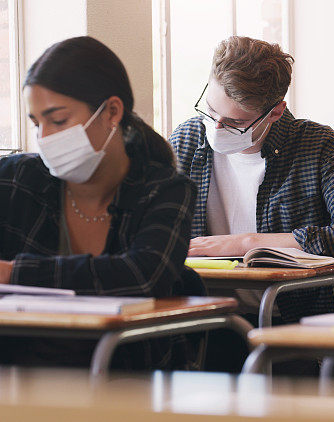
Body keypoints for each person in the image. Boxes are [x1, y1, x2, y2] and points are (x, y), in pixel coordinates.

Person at [169, 36, 334, 383]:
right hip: (204, 321)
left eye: (236, 123)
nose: (217, 128)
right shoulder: (189, 141)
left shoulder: (319, 147)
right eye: (210, 111)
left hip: (294, 325)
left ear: (276, 112)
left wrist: (247, 243)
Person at [0, 36, 199, 369]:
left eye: (58, 120)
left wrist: (13, 273)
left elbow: (142, 275)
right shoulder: (14, 181)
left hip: (125, 381)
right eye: (37, 123)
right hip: (18, 377)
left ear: (111, 111)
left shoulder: (166, 190)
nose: (45, 137)